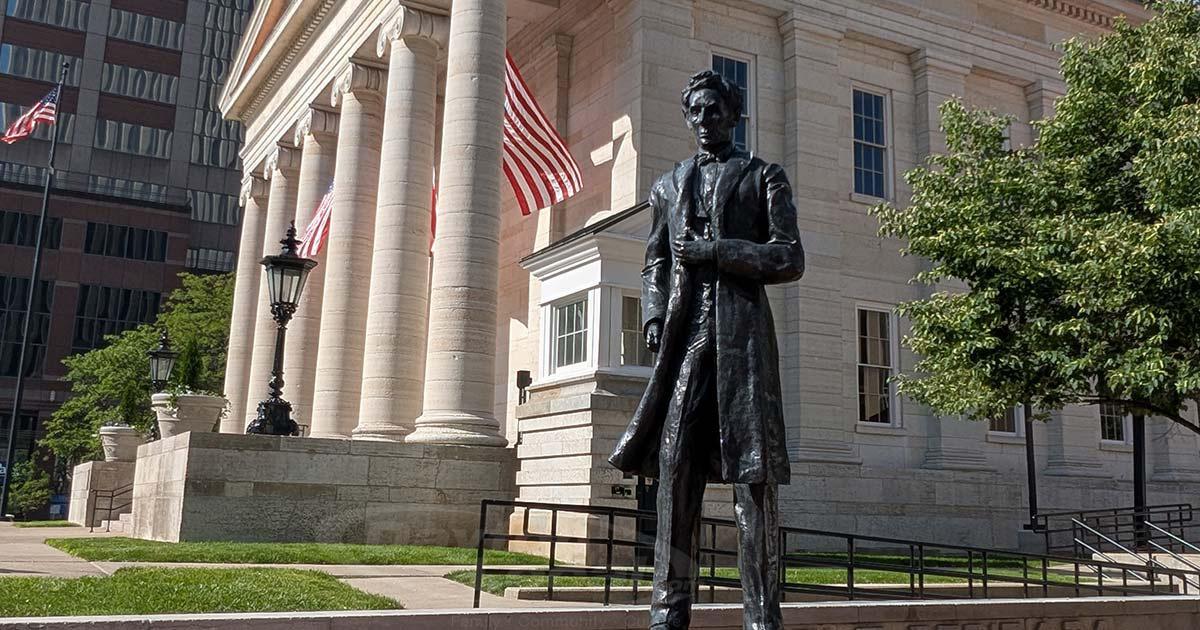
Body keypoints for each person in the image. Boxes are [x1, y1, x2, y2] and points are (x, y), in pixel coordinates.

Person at [609, 69, 805, 630]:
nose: (702, 120)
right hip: (687, 345)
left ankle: (762, 618)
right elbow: (655, 260)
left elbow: (789, 257)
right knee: (675, 476)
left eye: (712, 109)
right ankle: (668, 613)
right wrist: (652, 314)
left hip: (743, 345)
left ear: (732, 113)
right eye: (694, 111)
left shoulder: (763, 176)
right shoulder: (669, 185)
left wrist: (718, 250)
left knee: (754, 486)